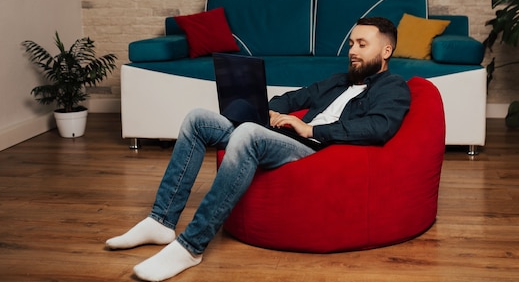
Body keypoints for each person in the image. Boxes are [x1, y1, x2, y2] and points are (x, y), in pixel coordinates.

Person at [105, 17, 411, 281]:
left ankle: (191, 246)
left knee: (248, 133)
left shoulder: (393, 87)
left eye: (362, 44)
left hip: (316, 149)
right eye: (351, 44)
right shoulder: (338, 81)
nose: (352, 51)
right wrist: (273, 113)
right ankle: (161, 221)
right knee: (198, 118)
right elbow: (292, 98)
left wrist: (311, 129)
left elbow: (379, 127)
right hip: (290, 138)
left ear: (386, 51)